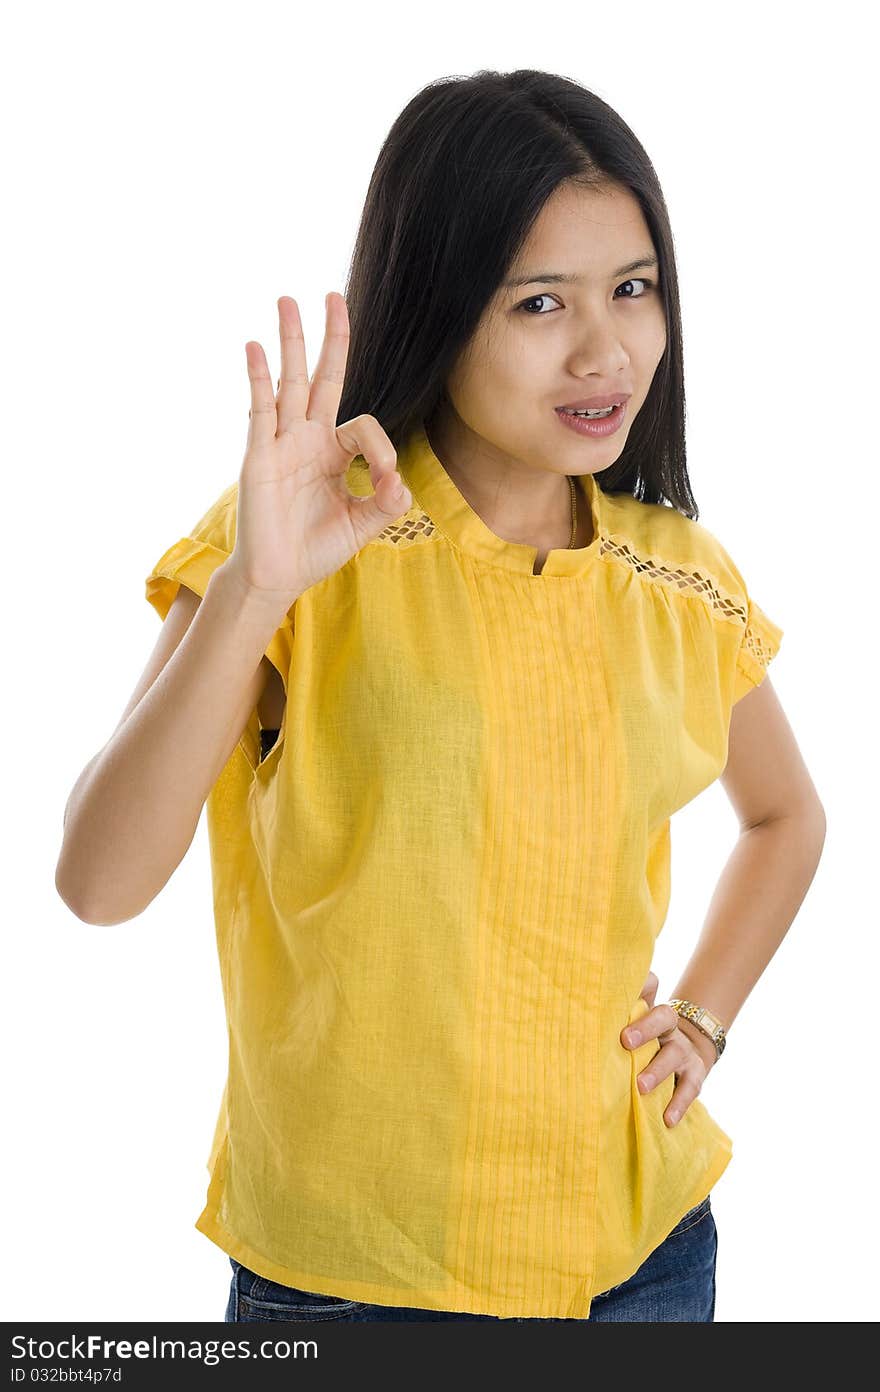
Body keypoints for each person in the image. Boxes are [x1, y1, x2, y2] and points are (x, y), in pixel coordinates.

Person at [56, 69, 826, 1323]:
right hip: (360, 1278)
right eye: (540, 303)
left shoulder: (681, 579)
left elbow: (787, 819)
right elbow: (98, 882)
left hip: (639, 1258)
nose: (606, 349)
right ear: (439, 305)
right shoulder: (302, 543)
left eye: (634, 289)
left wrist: (703, 1015)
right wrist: (255, 585)